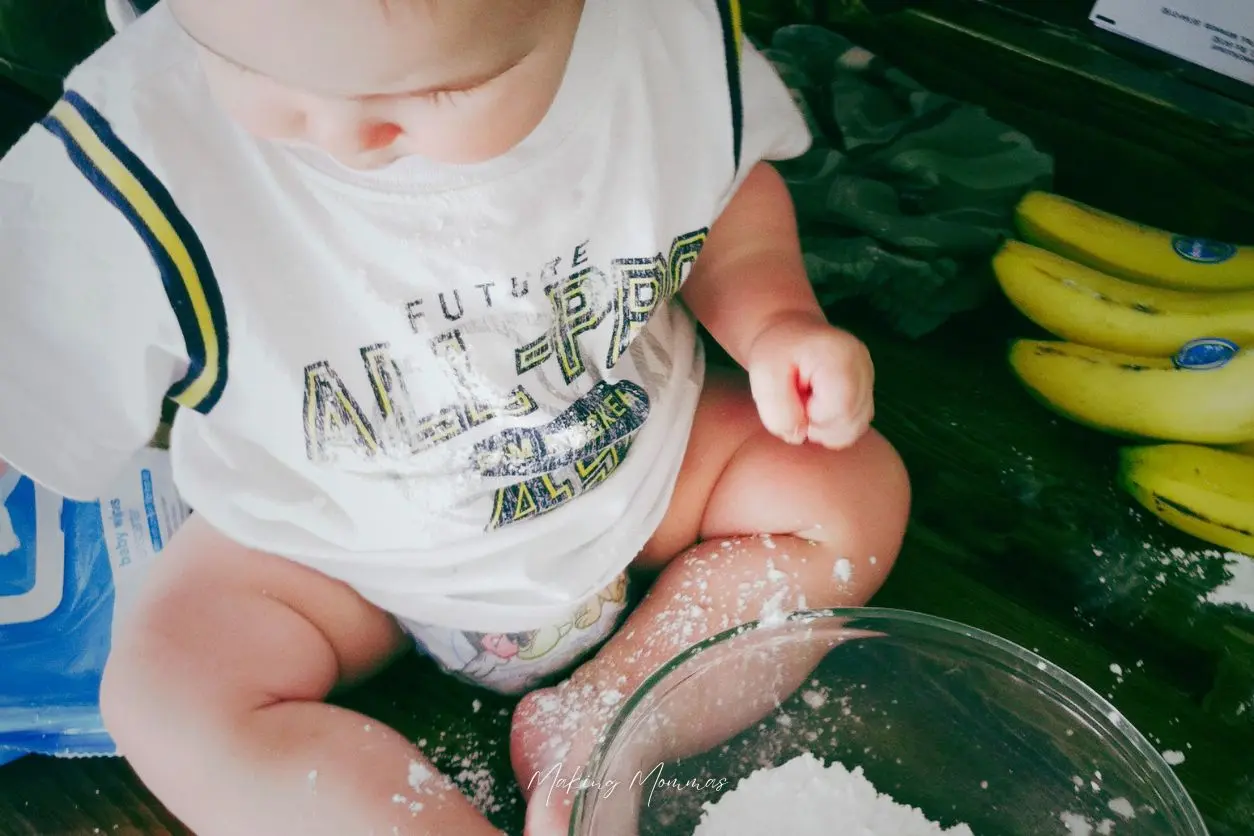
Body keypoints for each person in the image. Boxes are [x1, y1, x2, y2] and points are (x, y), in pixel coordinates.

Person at [0, 0, 911, 832]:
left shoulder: (649, 37)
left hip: (637, 460)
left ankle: (615, 717)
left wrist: (778, 319)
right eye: (260, 78)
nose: (346, 135)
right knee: (169, 687)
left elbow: (725, 196)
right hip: (330, 546)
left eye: (442, 88)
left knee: (846, 489)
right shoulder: (132, 156)